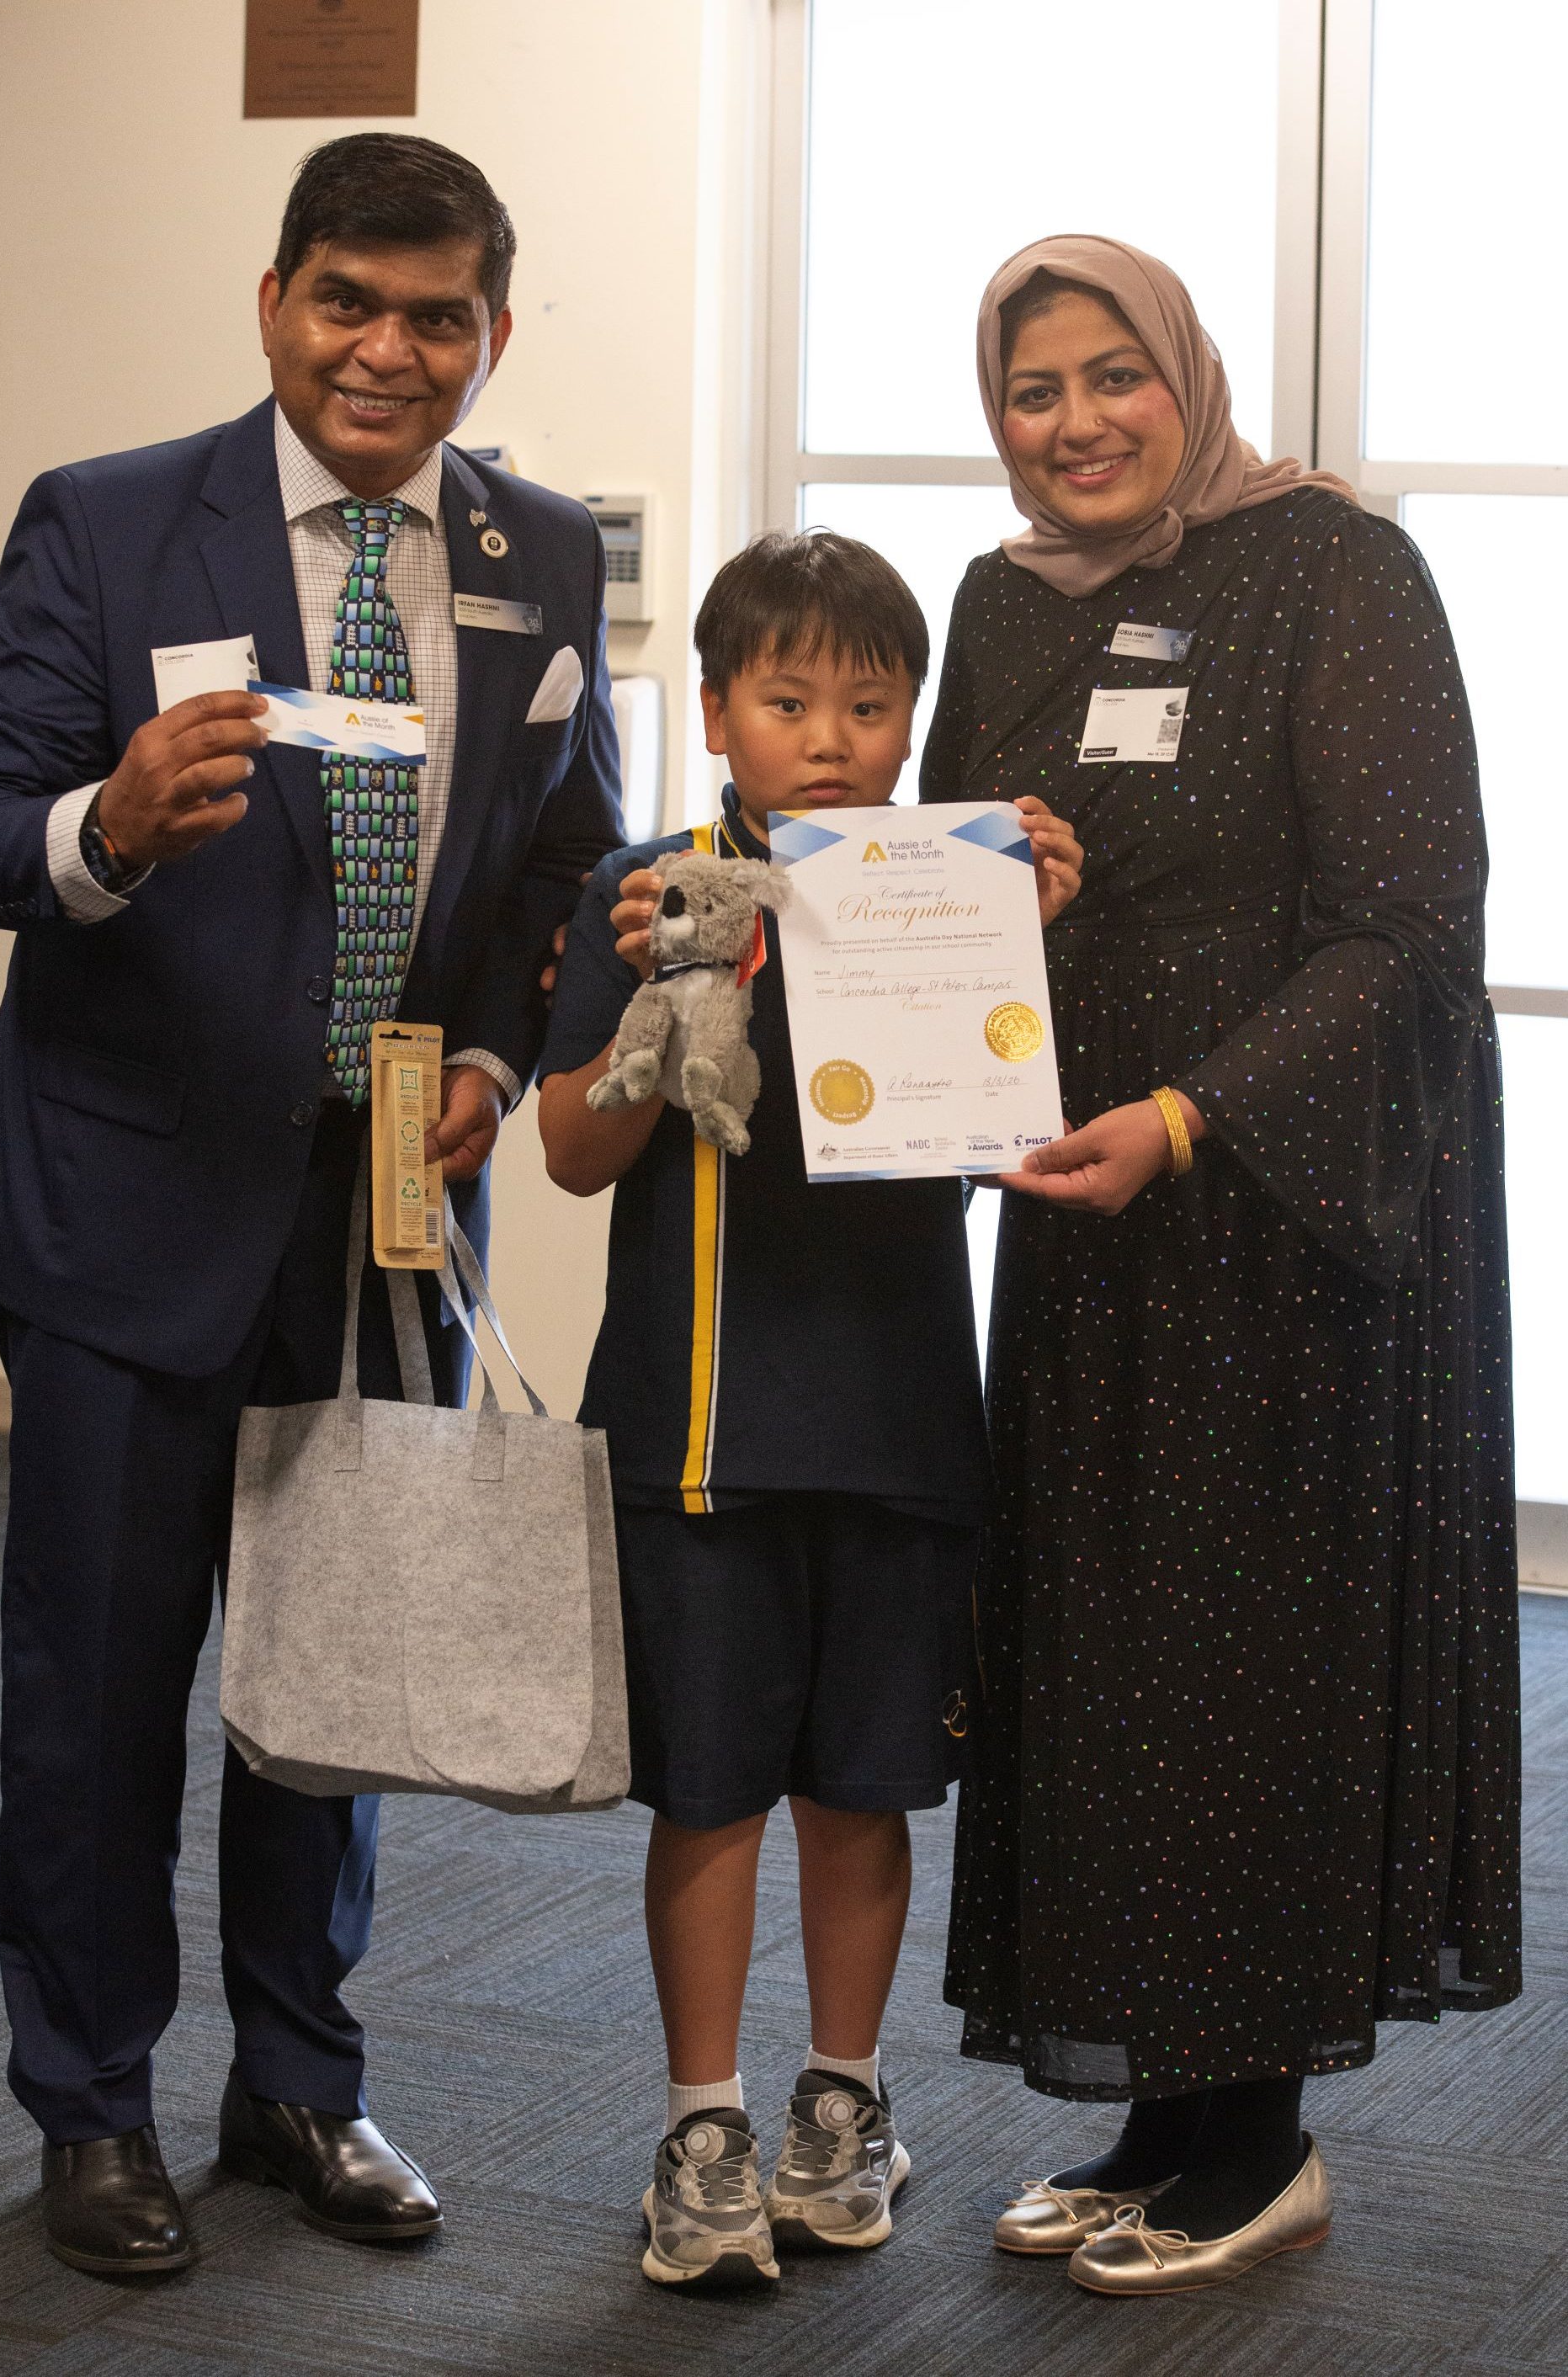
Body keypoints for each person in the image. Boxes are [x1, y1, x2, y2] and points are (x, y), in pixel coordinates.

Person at [0, 133, 623, 2275]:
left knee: (342, 1670)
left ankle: (301, 2080)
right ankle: (94, 2104)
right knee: (104, 1686)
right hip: (123, 1212)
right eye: (348, 302)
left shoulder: (538, 552)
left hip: (382, 1220)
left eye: (437, 316)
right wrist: (111, 823)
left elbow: (561, 861)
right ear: (274, 302)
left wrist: (494, 1048)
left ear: (492, 332)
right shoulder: (114, 518)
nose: (387, 351)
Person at [922, 236, 1520, 2296]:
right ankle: (1155, 2110)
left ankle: (1259, 2136)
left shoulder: (1334, 567)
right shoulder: (999, 599)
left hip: (1280, 1210)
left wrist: (1189, 1114)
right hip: (1080, 1211)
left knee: (1247, 1656)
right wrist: (1008, 887)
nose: (1076, 421)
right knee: (1104, 1653)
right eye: (1032, 389)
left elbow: (1408, 923)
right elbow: (946, 882)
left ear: (1186, 376)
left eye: (1116, 374)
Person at [539, 530, 1082, 2290]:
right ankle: (700, 2125)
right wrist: (664, 991)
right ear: (716, 712)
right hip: (698, 1430)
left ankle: (843, 2101)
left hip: (902, 1428)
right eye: (788, 702)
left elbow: (1011, 1140)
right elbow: (568, 1152)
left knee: (866, 1792)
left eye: (867, 704)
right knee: (706, 1794)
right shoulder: (642, 885)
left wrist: (1030, 935)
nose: (830, 739)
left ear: (911, 719)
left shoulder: (951, 887)